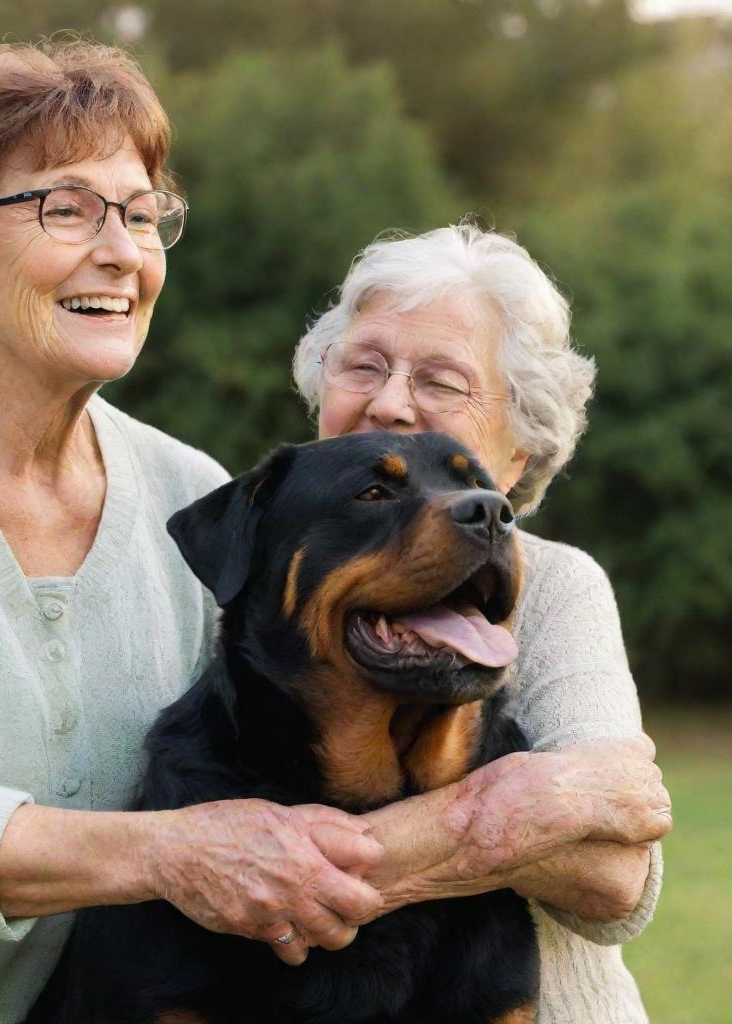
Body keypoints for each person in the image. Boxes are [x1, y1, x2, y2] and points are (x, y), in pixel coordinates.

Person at [0, 38, 667, 1024]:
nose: (121, 250)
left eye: (140, 213)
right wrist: (171, 850)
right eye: (66, 208)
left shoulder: (184, 486)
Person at [288, 223, 672, 1023]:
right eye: (364, 366)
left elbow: (612, 879)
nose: (390, 402)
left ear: (517, 453)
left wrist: (291, 863)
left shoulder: (559, 588)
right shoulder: (263, 572)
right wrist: (547, 798)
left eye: (441, 380)